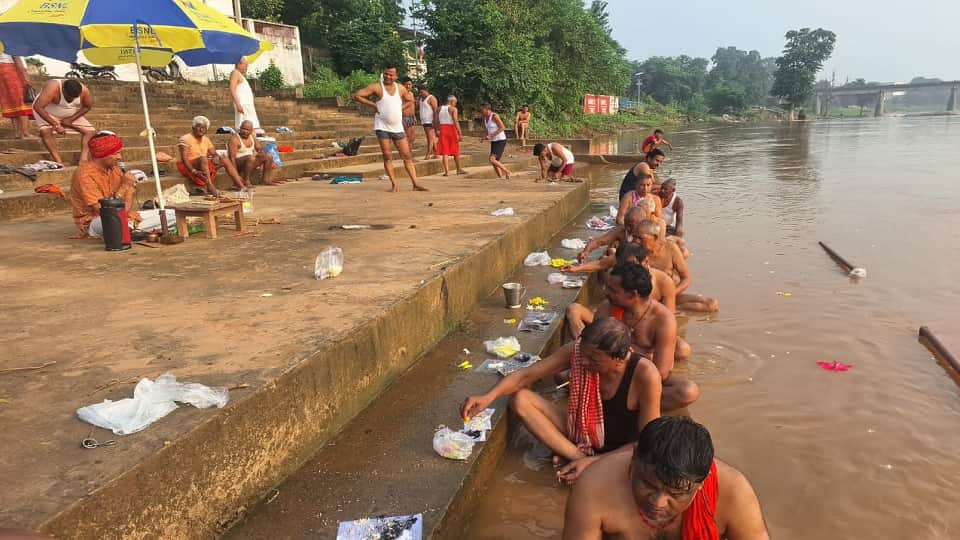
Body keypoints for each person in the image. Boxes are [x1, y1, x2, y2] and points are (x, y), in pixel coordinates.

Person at [461, 318, 662, 483]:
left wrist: (597, 462)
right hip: (582, 432)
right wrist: (488, 396)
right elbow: (526, 376)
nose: (583, 362)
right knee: (521, 399)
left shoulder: (645, 374)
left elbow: (647, 443)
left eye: (594, 361)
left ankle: (581, 460)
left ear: (619, 359)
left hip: (621, 451)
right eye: (583, 355)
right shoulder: (577, 352)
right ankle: (578, 457)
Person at [562, 416, 769, 540]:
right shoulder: (594, 486)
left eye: (676, 493)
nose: (658, 502)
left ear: (702, 483)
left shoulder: (734, 492)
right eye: (648, 484)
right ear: (634, 458)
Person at [353, 66, 428, 192]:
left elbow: (411, 100)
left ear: (396, 76)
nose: (388, 77)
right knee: (387, 156)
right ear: (383, 73)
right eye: (386, 74)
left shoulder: (400, 88)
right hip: (382, 127)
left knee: (407, 156)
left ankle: (415, 184)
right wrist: (373, 105)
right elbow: (357, 95)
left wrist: (401, 108)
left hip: (397, 127)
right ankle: (394, 184)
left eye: (391, 75)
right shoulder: (376, 87)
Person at [636, 219, 719, 312]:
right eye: (636, 238)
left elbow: (686, 279)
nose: (637, 241)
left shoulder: (670, 248)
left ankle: (674, 310)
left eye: (641, 238)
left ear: (655, 237)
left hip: (668, 295)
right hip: (645, 299)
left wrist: (670, 295)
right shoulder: (633, 251)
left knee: (712, 304)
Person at [69, 132, 140, 239]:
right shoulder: (84, 174)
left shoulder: (116, 170)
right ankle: (130, 229)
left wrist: (128, 190)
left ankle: (130, 228)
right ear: (102, 154)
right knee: (115, 223)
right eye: (115, 153)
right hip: (96, 221)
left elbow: (125, 208)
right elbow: (107, 212)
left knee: (169, 215)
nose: (119, 157)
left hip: (124, 216)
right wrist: (124, 187)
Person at [177, 115, 251, 196]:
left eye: (204, 128)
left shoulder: (206, 139)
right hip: (188, 167)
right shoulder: (185, 139)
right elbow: (184, 159)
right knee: (203, 158)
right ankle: (210, 187)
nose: (201, 130)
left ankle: (241, 186)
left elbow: (214, 153)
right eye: (199, 127)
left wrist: (215, 157)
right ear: (193, 127)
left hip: (203, 165)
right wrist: (194, 171)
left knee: (224, 158)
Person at [32, 78, 95, 164]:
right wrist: (56, 124)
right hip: (47, 112)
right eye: (69, 97)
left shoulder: (84, 90)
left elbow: (87, 106)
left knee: (90, 132)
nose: (71, 99)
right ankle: (58, 160)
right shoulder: (53, 87)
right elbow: (38, 107)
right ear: (63, 89)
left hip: (69, 113)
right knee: (45, 132)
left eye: (74, 98)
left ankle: (83, 159)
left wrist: (71, 119)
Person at [228, 120, 279, 186]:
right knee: (250, 157)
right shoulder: (235, 139)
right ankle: (246, 180)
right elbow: (232, 158)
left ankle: (266, 180)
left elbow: (259, 149)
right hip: (239, 164)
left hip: (250, 161)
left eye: (247, 130)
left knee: (268, 156)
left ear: (251, 131)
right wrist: (236, 175)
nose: (245, 131)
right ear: (240, 128)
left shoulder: (252, 136)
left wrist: (261, 157)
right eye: (243, 129)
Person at [0, 54, 37, 140]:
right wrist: (25, 77)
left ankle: (17, 133)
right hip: (11, 70)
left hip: (2, 73)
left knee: (11, 104)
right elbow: (16, 58)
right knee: (22, 102)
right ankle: (25, 134)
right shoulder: (13, 41)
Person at [434, 95, 467, 176]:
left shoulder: (439, 109)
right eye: (455, 102)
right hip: (451, 129)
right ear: (452, 101)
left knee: (445, 151)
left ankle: (446, 171)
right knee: (455, 150)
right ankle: (458, 169)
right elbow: (455, 121)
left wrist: (436, 130)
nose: (455, 104)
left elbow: (435, 120)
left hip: (442, 129)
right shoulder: (453, 109)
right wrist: (460, 133)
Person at [479, 102, 512, 179]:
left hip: (500, 140)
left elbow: (502, 127)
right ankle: (500, 177)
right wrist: (484, 138)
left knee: (492, 159)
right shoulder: (485, 118)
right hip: (494, 141)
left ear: (487, 109)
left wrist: (491, 136)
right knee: (494, 162)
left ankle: (507, 171)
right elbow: (488, 130)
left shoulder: (494, 116)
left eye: (482, 110)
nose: (481, 112)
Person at [230, 57, 261, 134]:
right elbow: (232, 89)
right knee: (245, 126)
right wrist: (238, 104)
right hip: (243, 104)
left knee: (252, 126)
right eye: (245, 65)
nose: (247, 67)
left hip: (247, 105)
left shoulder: (240, 74)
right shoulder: (235, 73)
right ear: (238, 64)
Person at [418, 85, 439, 159]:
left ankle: (428, 154)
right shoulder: (420, 99)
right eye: (419, 92)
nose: (420, 94)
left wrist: (435, 121)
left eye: (421, 92)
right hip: (424, 121)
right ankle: (436, 153)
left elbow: (435, 111)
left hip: (430, 121)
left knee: (429, 139)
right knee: (432, 138)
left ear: (426, 90)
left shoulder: (431, 98)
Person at [399, 77, 417, 146]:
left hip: (411, 117)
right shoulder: (401, 94)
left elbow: (412, 105)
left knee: (412, 138)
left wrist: (414, 116)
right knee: (405, 138)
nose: (408, 86)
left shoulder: (412, 94)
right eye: (406, 84)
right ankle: (405, 155)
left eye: (409, 84)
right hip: (404, 117)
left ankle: (409, 154)